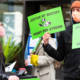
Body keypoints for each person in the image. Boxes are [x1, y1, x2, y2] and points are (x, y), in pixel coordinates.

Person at [42, 1, 80, 80]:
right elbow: (60, 56)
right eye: (73, 10)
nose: (75, 13)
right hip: (70, 76)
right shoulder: (65, 32)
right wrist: (46, 45)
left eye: (78, 10)